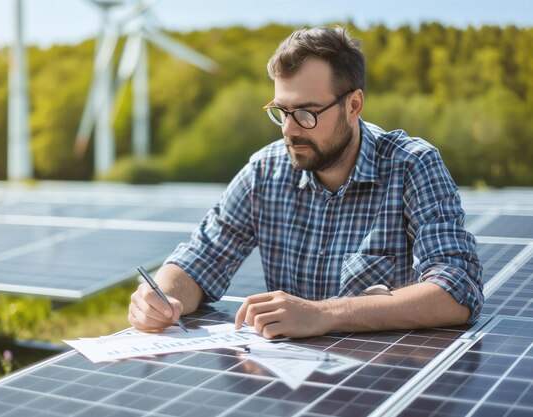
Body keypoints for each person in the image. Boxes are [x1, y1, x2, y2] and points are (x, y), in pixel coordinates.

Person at [128, 26, 483, 339]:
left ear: (353, 105)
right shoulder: (265, 171)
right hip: (288, 390)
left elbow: (457, 291)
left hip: (382, 381)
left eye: (306, 113)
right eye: (281, 111)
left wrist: (323, 314)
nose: (289, 129)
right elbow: (199, 258)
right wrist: (161, 297)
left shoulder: (411, 165)